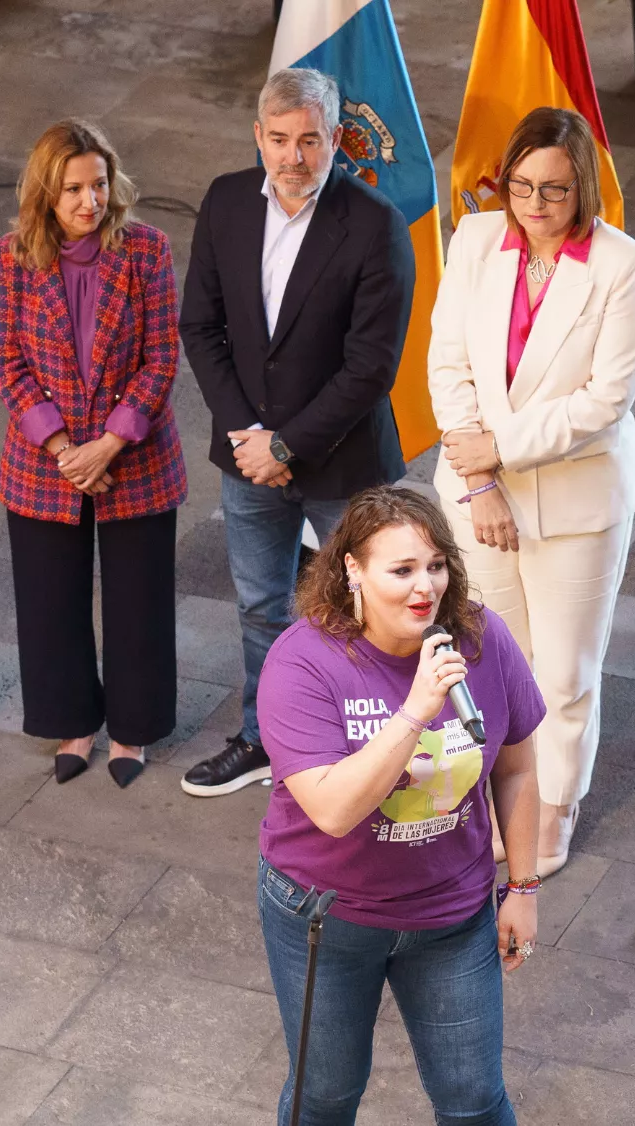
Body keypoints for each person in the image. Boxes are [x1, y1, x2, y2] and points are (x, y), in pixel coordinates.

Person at [258, 486, 543, 1126]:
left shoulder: (480, 638)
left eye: (436, 565)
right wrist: (416, 708)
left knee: (474, 1099)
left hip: (453, 914)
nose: (426, 587)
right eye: (403, 570)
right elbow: (332, 810)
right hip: (327, 917)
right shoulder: (303, 663)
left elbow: (518, 765)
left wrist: (522, 884)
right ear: (353, 570)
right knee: (326, 1097)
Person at [427, 107, 635, 876]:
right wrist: (481, 474)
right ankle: (503, 790)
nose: (534, 205)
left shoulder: (623, 266)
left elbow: (604, 403)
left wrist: (501, 447)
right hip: (476, 496)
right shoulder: (476, 241)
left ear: (582, 186)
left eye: (554, 190)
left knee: (562, 670)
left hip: (576, 503)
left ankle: (554, 805)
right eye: (521, 186)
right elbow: (447, 363)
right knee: (495, 658)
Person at [178, 67, 418, 799]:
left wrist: (288, 445)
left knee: (365, 609)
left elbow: (371, 368)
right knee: (260, 604)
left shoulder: (376, 224)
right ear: (258, 137)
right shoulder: (225, 202)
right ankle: (264, 738)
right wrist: (253, 435)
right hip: (247, 456)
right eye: (278, 139)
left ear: (335, 141)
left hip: (344, 463)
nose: (293, 156)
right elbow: (202, 325)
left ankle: (371, 754)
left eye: (309, 140)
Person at [0, 120, 187, 788]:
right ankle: (74, 723)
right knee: (51, 604)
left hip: (132, 456)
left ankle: (132, 730)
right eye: (73, 188)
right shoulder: (15, 257)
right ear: (47, 193)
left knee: (139, 604)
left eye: (98, 184)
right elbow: (7, 360)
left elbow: (162, 357)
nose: (89, 201)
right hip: (47, 463)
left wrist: (108, 443)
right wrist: (62, 446)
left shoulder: (148, 251)